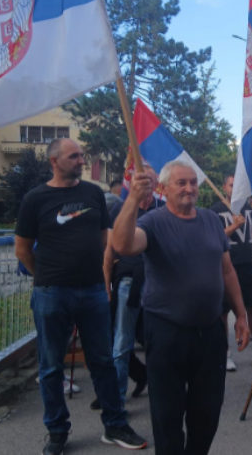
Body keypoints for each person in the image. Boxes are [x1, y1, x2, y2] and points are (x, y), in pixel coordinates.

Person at [14, 138, 146, 455]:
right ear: (54, 161)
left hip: (92, 290)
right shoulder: (35, 199)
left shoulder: (92, 194)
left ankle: (115, 424)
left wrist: (103, 279)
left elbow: (104, 241)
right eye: (74, 156)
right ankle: (57, 431)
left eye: (82, 155)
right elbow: (22, 249)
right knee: (50, 366)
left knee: (102, 361)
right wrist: (46, 277)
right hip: (51, 293)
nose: (81, 161)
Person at [111, 161, 250, 455]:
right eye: (181, 183)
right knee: (167, 414)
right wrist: (133, 199)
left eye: (193, 182)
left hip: (210, 330)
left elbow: (226, 270)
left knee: (207, 411)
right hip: (167, 332)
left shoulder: (212, 220)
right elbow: (123, 245)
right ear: (163, 188)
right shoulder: (153, 222)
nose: (189, 188)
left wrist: (241, 314)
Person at [104, 165, 160, 406]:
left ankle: (164, 392)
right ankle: (116, 400)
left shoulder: (163, 208)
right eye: (141, 178)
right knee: (121, 341)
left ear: (156, 183)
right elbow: (110, 249)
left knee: (159, 341)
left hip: (158, 282)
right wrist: (106, 284)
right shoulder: (121, 208)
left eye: (150, 179)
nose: (146, 182)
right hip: (128, 280)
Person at [211, 174, 252, 371]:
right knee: (224, 312)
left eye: (238, 185)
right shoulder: (216, 210)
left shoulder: (247, 208)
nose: (234, 189)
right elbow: (214, 236)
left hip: (248, 266)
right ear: (224, 187)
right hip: (226, 267)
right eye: (231, 185)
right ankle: (226, 353)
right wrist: (234, 226)